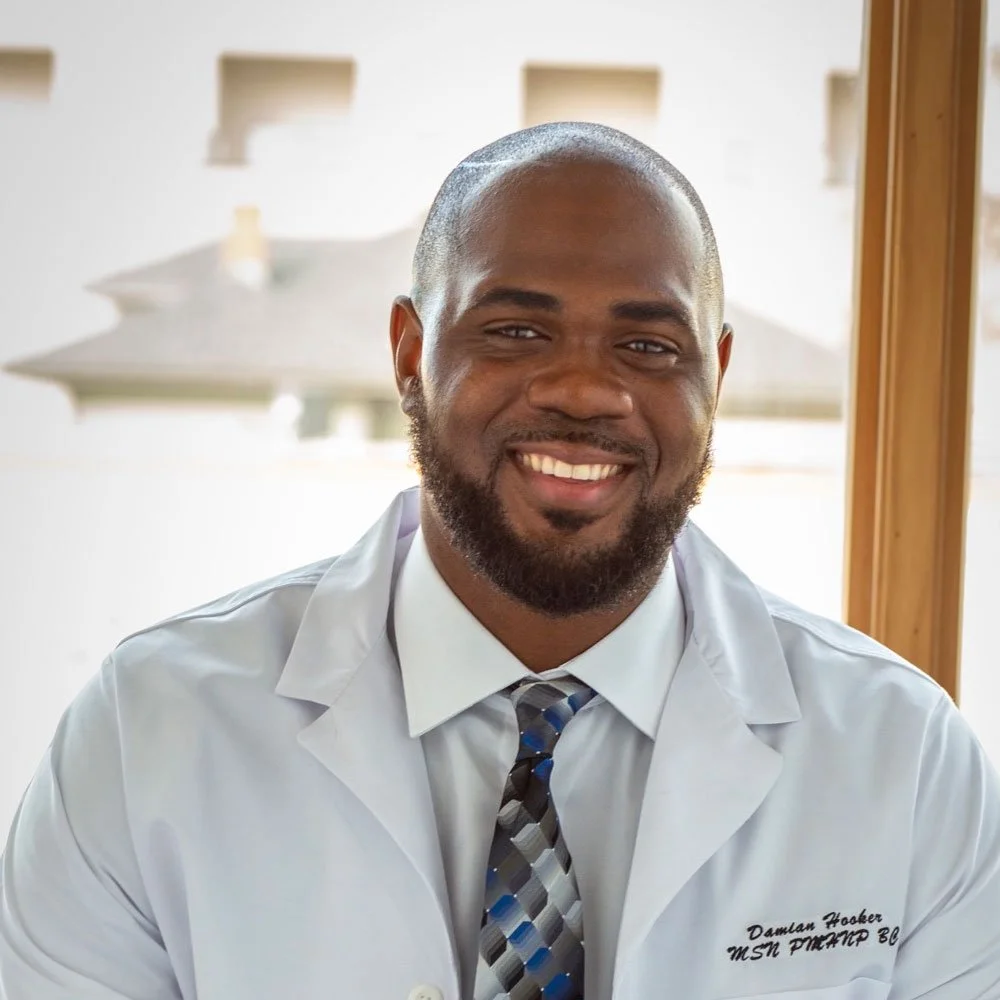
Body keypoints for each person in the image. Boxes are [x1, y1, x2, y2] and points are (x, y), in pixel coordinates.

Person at [1, 122, 998, 1000]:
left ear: (716, 374)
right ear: (408, 352)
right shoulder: (152, 733)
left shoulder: (900, 759)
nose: (582, 389)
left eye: (649, 346)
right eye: (516, 330)